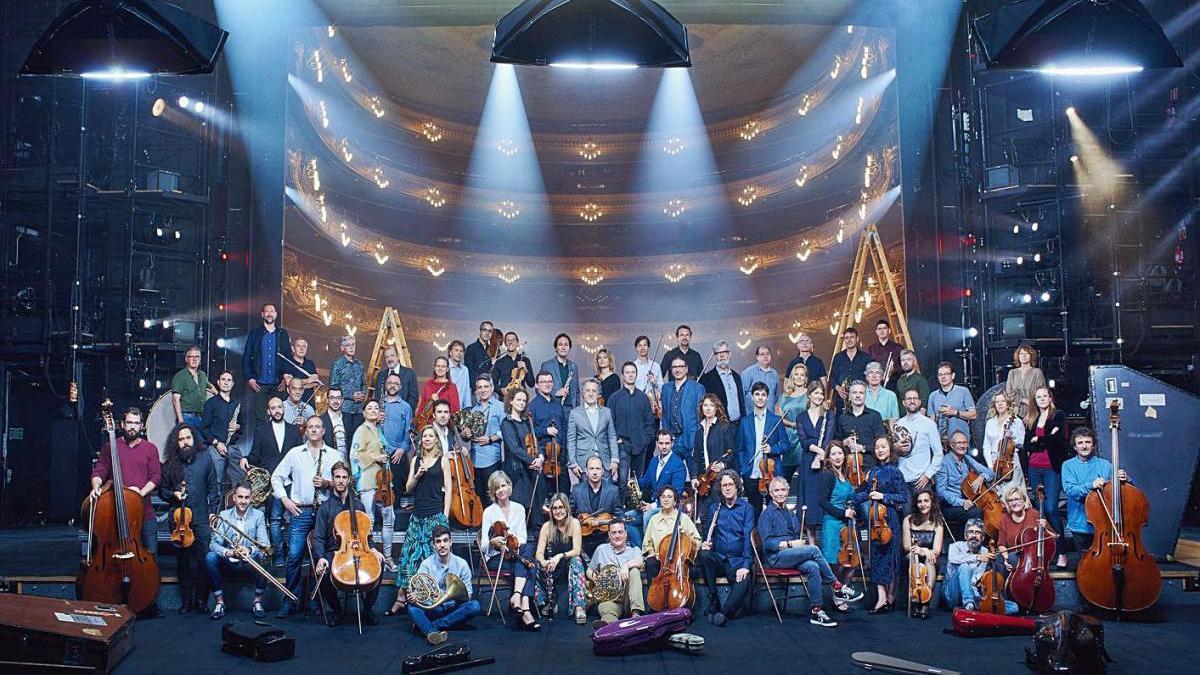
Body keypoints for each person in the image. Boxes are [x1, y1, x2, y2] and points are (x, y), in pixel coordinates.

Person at [88, 406, 163, 618]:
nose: (132, 427)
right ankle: (112, 598)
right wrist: (96, 486)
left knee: (150, 557)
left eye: (136, 423)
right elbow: (100, 469)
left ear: (141, 426)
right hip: (116, 515)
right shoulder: (110, 446)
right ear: (122, 425)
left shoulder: (150, 448)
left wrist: (140, 493)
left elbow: (156, 477)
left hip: (144, 513)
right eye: (128, 423)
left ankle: (148, 603)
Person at [759, 476, 862, 626]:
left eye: (783, 490)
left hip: (790, 556)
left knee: (813, 567)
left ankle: (816, 612)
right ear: (771, 493)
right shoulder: (766, 514)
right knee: (814, 549)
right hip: (776, 558)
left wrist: (799, 544)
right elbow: (767, 543)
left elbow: (796, 537)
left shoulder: (789, 513)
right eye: (776, 490)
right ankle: (837, 586)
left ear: (788, 492)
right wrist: (790, 544)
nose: (780, 493)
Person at [270, 415, 342, 618]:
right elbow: (276, 477)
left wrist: (327, 483)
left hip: (325, 513)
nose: (313, 430)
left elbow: (345, 482)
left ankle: (316, 601)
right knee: (294, 556)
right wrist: (285, 500)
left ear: (323, 431)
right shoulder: (295, 453)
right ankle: (291, 600)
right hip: (300, 511)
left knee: (319, 557)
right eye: (310, 427)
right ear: (305, 430)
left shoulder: (334, 454)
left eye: (317, 427)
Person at [386, 425, 451, 616]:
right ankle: (401, 598)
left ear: (436, 439)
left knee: (431, 558)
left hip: (436, 515)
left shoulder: (443, 461)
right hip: (418, 516)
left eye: (431, 436)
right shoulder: (415, 460)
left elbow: (449, 489)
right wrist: (417, 474)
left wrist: (445, 516)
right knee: (408, 558)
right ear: (421, 440)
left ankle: (430, 599)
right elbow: (407, 488)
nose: (428, 439)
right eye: (425, 436)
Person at [311, 461, 382, 627]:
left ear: (349, 479)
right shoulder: (325, 508)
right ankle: (337, 611)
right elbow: (319, 538)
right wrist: (321, 557)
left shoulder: (358, 505)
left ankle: (367, 610)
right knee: (324, 569)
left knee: (380, 562)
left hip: (359, 549)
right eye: (337, 477)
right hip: (335, 552)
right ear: (333, 479)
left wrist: (372, 549)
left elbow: (366, 535)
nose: (341, 481)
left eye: (344, 477)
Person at [159, 423, 219, 614]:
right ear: (176, 443)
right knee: (183, 562)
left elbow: (213, 489)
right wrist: (174, 494)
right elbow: (162, 491)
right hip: (178, 520)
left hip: (201, 518)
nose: (185, 442)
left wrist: (213, 512)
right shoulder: (169, 464)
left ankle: (201, 600)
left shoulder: (206, 458)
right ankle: (186, 601)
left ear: (194, 439)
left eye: (188, 438)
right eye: (181, 439)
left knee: (203, 560)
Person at [242, 396, 300, 567]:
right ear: (268, 411)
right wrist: (246, 458)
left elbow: (299, 455)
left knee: (292, 518)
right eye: (273, 408)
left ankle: (292, 555)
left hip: (291, 482)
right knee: (275, 519)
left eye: (279, 407)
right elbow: (255, 455)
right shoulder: (262, 430)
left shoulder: (294, 430)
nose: (277, 410)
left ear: (283, 409)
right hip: (271, 483)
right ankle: (279, 556)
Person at [480, 471, 541, 631]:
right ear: (493, 492)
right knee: (530, 564)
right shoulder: (489, 512)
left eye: (503, 485)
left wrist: (511, 543)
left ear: (509, 486)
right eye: (496, 488)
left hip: (515, 554)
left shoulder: (519, 508)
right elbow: (484, 546)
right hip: (496, 558)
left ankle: (517, 596)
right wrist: (493, 541)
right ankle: (525, 607)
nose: (500, 490)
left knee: (528, 548)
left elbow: (523, 538)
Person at [856, 435, 907, 615]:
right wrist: (853, 499)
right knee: (877, 558)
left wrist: (883, 497)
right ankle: (881, 598)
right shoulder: (872, 472)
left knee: (891, 559)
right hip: (874, 519)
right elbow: (867, 493)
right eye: (877, 447)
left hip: (890, 519)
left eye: (883, 447)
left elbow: (903, 497)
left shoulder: (895, 472)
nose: (879, 450)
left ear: (890, 449)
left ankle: (890, 598)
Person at [1061, 427, 1127, 567]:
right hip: (1080, 523)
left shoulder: (1105, 465)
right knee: (1087, 564)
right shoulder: (1068, 466)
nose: (1084, 446)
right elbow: (1071, 490)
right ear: (1075, 446)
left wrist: (1126, 479)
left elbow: (1124, 491)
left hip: (1104, 523)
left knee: (1107, 564)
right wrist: (1090, 485)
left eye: (1088, 442)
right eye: (1080, 443)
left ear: (1093, 445)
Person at [206, 482, 272, 620]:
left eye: (246, 497)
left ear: (251, 498)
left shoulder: (258, 515)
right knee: (210, 557)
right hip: (229, 562)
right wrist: (228, 552)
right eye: (240, 497)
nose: (243, 501)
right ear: (234, 498)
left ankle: (257, 601)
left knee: (265, 556)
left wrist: (249, 549)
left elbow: (264, 544)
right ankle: (219, 602)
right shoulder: (224, 515)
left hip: (249, 563)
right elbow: (213, 544)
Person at [697, 471, 755, 626]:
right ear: (720, 488)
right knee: (703, 555)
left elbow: (749, 539)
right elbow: (708, 534)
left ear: (737, 486)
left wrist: (745, 566)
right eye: (724, 485)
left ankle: (724, 613)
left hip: (737, 562)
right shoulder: (714, 508)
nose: (728, 488)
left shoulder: (747, 508)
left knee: (744, 579)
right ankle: (714, 599)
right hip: (720, 558)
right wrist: (706, 544)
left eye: (731, 484)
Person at [409, 526, 482, 645]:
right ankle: (433, 631)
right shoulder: (426, 564)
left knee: (474, 606)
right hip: (434, 608)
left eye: (445, 540)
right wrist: (414, 598)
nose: (442, 545)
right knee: (412, 607)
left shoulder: (462, 564)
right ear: (434, 545)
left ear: (450, 542)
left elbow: (468, 595)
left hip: (453, 607)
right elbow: (417, 590)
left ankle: (430, 627)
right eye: (438, 541)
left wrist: (453, 596)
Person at [1022, 385, 1069, 568]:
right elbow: (1027, 445)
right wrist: (1044, 439)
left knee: (1050, 509)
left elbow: (1058, 441)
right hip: (1034, 468)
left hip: (1051, 468)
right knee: (1039, 511)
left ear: (1050, 398)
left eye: (1044, 396)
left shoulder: (1058, 415)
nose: (1041, 399)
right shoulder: (1032, 418)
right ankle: (1045, 552)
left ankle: (1062, 551)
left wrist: (1039, 440)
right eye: (1038, 397)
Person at [349, 400, 394, 570]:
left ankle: (388, 558)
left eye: (376, 407)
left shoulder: (378, 429)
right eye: (370, 408)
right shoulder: (361, 430)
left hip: (383, 480)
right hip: (368, 479)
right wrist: (374, 457)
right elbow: (354, 455)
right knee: (370, 519)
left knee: (389, 518)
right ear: (364, 412)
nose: (374, 410)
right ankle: (369, 556)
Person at [942, 518, 1018, 614]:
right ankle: (969, 604)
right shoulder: (955, 546)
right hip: (952, 594)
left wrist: (1005, 564)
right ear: (965, 535)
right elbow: (954, 558)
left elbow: (978, 579)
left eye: (978, 533)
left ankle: (976, 607)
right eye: (970, 532)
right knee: (965, 567)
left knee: (1014, 607)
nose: (974, 536)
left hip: (973, 593)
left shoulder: (985, 551)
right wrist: (977, 557)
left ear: (982, 538)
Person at [535, 493, 587, 623]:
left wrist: (559, 556)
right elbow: (539, 553)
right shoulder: (546, 526)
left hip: (568, 562)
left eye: (561, 507)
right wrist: (544, 562)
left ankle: (579, 606)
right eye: (554, 508)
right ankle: (546, 602)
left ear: (567, 508)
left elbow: (576, 550)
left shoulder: (574, 523)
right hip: (552, 565)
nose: (558, 511)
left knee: (577, 560)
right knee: (534, 564)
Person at [738, 382, 789, 514]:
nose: (760, 398)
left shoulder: (776, 420)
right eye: (757, 394)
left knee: (775, 511)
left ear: (767, 397)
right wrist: (744, 468)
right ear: (752, 397)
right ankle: (755, 535)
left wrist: (772, 449)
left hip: (771, 474)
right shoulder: (744, 422)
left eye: (763, 394)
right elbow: (740, 449)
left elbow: (786, 445)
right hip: (751, 473)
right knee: (754, 512)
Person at [585, 519, 645, 629]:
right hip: (610, 599)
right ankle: (610, 625)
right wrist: (595, 578)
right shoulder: (601, 549)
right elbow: (589, 570)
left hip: (628, 599)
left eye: (620, 532)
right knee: (605, 608)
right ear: (609, 534)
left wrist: (626, 566)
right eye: (614, 532)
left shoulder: (634, 550)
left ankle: (636, 615)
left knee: (635, 571)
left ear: (626, 533)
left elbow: (640, 562)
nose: (617, 536)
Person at [795, 381, 836, 534]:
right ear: (809, 395)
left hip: (824, 462)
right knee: (809, 502)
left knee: (822, 498)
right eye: (816, 393)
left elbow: (828, 437)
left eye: (821, 393)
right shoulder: (801, 417)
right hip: (808, 462)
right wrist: (817, 449)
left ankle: (826, 541)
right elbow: (803, 440)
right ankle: (811, 541)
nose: (819, 396)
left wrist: (822, 453)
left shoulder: (829, 415)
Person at [499, 389, 544, 528]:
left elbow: (534, 442)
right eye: (518, 399)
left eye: (524, 401)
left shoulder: (526, 422)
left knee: (536, 504)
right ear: (511, 401)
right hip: (516, 471)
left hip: (531, 468)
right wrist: (532, 460)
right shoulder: (506, 423)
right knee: (520, 506)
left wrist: (541, 457)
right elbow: (514, 448)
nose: (522, 403)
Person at [818, 443, 860, 589]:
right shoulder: (828, 475)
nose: (837, 457)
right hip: (832, 524)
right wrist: (843, 513)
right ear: (828, 458)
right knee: (835, 564)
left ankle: (842, 592)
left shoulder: (846, 475)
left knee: (851, 563)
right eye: (833, 454)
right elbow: (821, 501)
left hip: (847, 525)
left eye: (840, 453)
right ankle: (838, 597)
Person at [608, 361, 656, 485]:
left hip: (641, 444)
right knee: (622, 480)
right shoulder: (614, 398)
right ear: (622, 375)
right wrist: (617, 440)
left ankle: (635, 505)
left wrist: (646, 440)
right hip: (622, 444)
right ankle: (621, 505)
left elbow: (650, 422)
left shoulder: (643, 397)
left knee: (637, 482)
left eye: (633, 372)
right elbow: (609, 423)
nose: (630, 375)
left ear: (637, 374)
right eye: (627, 372)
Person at [935, 431, 995, 531]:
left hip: (968, 502)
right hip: (950, 506)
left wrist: (981, 477)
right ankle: (973, 541)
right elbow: (941, 492)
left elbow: (990, 472)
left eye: (965, 443)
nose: (962, 446)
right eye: (959, 443)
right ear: (951, 445)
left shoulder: (967, 459)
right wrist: (961, 502)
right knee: (977, 512)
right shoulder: (944, 462)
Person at [243, 303, 291, 420]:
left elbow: (288, 358)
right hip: (260, 383)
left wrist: (286, 378)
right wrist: (250, 378)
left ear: (276, 314)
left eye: (272, 311)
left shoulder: (282, 334)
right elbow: (246, 356)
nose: (269, 314)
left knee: (282, 416)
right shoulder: (255, 334)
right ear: (262, 314)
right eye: (267, 311)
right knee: (260, 418)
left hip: (279, 384)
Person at [901, 488, 944, 619]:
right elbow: (907, 546)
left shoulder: (938, 523)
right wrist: (919, 550)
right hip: (912, 555)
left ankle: (925, 600)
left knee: (930, 561)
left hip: (929, 556)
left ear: (932, 502)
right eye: (919, 501)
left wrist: (925, 551)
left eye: (926, 501)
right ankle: (915, 599)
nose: (923, 504)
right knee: (914, 558)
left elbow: (936, 550)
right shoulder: (908, 520)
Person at [641, 485, 700, 581]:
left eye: (669, 497)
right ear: (659, 499)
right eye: (663, 496)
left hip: (679, 561)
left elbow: (697, 541)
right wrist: (651, 553)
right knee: (650, 563)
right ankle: (653, 594)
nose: (666, 499)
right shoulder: (654, 520)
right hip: (659, 560)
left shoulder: (683, 518)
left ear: (675, 501)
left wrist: (686, 537)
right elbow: (647, 544)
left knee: (692, 570)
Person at [566, 379, 619, 484]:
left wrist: (614, 459)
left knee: (607, 497)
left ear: (598, 394)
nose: (591, 394)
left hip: (605, 462)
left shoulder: (606, 412)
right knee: (586, 498)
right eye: (588, 390)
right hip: (583, 464)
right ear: (583, 394)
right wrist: (573, 463)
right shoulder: (574, 413)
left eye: (594, 391)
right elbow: (571, 440)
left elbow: (612, 437)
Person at [570, 455, 623, 556]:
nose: (595, 472)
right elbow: (569, 515)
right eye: (592, 468)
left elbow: (619, 515)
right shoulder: (577, 490)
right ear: (586, 471)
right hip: (582, 539)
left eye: (598, 469)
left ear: (603, 471)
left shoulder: (613, 490)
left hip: (606, 539)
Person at [894, 388, 943, 496]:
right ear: (904, 402)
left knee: (923, 513)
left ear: (919, 402)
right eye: (909, 399)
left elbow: (939, 453)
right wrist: (895, 448)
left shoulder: (929, 424)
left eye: (915, 398)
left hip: (921, 480)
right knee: (906, 513)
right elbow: (894, 455)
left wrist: (927, 475)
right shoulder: (898, 424)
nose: (912, 401)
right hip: (902, 480)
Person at [200, 369, 241, 498]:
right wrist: (217, 443)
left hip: (232, 447)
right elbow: (204, 428)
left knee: (240, 481)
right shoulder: (210, 404)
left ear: (233, 383)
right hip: (215, 447)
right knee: (216, 482)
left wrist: (238, 426)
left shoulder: (237, 403)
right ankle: (214, 513)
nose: (226, 383)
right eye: (223, 379)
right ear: (218, 382)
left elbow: (243, 427)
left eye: (229, 380)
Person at [637, 430, 688, 529]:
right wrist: (634, 482)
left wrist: (653, 506)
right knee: (627, 517)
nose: (664, 447)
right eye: (661, 443)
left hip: (667, 508)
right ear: (656, 443)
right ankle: (638, 544)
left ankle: (647, 544)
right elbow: (646, 481)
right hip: (651, 504)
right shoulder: (654, 461)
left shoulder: (678, 465)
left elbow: (676, 493)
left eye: (667, 443)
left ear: (672, 444)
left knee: (647, 516)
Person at [467, 374, 506, 503]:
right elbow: (468, 436)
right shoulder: (473, 410)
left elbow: (506, 431)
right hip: (474, 460)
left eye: (485, 386)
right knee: (478, 500)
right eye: (479, 387)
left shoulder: (500, 407)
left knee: (492, 498)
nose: (482, 390)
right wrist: (465, 434)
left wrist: (490, 439)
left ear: (492, 387)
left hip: (492, 460)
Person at [996, 486, 1056, 568]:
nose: (1014, 503)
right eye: (1010, 500)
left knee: (1013, 558)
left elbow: (1054, 537)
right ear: (1008, 504)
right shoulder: (1004, 518)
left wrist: (1045, 528)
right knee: (1001, 560)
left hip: (1033, 558)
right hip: (1013, 557)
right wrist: (1006, 559)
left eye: (1017, 499)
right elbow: (1001, 545)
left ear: (1024, 501)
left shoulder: (1034, 514)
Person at [530, 370, 568, 495]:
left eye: (550, 381)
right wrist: (545, 431)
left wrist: (563, 449)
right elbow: (530, 432)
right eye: (543, 382)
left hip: (560, 455)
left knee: (564, 490)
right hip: (544, 456)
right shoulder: (532, 406)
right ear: (536, 385)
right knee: (546, 494)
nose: (547, 384)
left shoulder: (558, 404)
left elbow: (563, 426)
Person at [982, 391, 1026, 492]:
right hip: (994, 460)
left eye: (1003, 401)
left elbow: (1022, 443)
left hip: (1011, 460)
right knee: (998, 493)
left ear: (1008, 403)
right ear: (994, 404)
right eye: (997, 402)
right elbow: (986, 446)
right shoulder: (990, 422)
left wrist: (1013, 436)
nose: (1000, 404)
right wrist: (990, 465)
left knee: (1014, 491)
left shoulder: (1016, 421)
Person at [661, 357, 704, 461]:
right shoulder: (666, 388)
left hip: (690, 437)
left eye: (680, 366)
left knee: (695, 474)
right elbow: (665, 414)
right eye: (674, 367)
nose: (677, 369)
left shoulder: (697, 388)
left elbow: (701, 416)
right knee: (673, 473)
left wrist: (698, 439)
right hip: (672, 439)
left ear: (686, 369)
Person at [379, 373, 413, 500]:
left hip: (396, 456)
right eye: (390, 383)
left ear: (400, 387)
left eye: (396, 384)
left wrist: (403, 449)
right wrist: (375, 419)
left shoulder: (406, 407)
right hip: (379, 455)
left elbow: (409, 431)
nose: (392, 386)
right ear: (385, 385)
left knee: (397, 494)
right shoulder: (378, 405)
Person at [835, 381, 885, 466]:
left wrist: (862, 448)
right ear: (849, 396)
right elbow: (835, 443)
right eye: (854, 393)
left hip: (870, 466)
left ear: (865, 396)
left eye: (861, 393)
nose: (858, 395)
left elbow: (882, 443)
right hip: (847, 466)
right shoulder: (842, 418)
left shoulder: (875, 416)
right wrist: (844, 442)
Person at [692, 394, 737, 483]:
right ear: (701, 408)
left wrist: (723, 464)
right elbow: (696, 457)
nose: (708, 408)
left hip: (720, 478)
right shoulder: (699, 431)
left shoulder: (725, 427)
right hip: (703, 480)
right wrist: (694, 477)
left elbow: (732, 451)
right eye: (705, 405)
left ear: (716, 408)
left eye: (711, 405)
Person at [928, 361, 977, 441]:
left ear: (953, 375)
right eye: (940, 375)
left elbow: (973, 415)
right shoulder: (933, 396)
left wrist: (955, 412)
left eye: (946, 374)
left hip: (961, 441)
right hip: (941, 442)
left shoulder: (963, 391)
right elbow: (931, 421)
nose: (943, 377)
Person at [699, 340, 744, 423]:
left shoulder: (736, 376)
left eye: (725, 352)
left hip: (739, 424)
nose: (722, 355)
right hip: (720, 426)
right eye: (718, 353)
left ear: (729, 354)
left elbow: (742, 402)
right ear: (715, 356)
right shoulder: (707, 379)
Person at [776, 363, 809, 471]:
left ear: (806, 378)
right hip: (788, 436)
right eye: (796, 374)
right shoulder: (784, 396)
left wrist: (799, 426)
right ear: (792, 377)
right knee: (786, 475)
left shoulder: (810, 395)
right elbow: (779, 417)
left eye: (802, 375)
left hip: (804, 436)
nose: (799, 377)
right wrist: (792, 424)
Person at [171, 345, 211, 432]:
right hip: (187, 417)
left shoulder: (203, 375)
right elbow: (175, 400)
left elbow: (211, 388)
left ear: (200, 360)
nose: (194, 359)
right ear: (186, 359)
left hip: (201, 417)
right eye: (191, 356)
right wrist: (181, 421)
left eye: (197, 356)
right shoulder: (180, 376)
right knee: (189, 444)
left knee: (201, 443)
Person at [829, 327, 872, 407]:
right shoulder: (838, 357)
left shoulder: (866, 358)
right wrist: (838, 388)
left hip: (861, 400)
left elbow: (870, 379)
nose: (849, 340)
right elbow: (832, 378)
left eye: (852, 337)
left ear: (857, 339)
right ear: (844, 340)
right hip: (841, 401)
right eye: (846, 338)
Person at [538, 333, 581, 410]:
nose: (563, 347)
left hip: (571, 410)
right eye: (560, 344)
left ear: (569, 348)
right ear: (555, 348)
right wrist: (556, 393)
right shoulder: (547, 366)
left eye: (566, 345)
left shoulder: (574, 367)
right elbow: (538, 389)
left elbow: (577, 391)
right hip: (553, 408)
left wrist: (577, 410)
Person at [371, 345, 418, 411]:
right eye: (387, 357)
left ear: (398, 356)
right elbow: (377, 396)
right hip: (383, 416)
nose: (389, 359)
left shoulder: (409, 374)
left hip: (402, 415)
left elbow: (414, 398)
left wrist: (406, 414)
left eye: (392, 355)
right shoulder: (380, 375)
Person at [1005, 345, 1046, 420]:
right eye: (1021, 354)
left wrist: (1031, 403)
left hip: (1033, 410)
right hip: (1015, 411)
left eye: (1026, 353)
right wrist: (1023, 400)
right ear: (1018, 356)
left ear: (1031, 356)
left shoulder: (1037, 372)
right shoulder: (1012, 373)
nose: (1024, 355)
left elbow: (1041, 392)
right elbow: (1009, 393)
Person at [329, 336, 366, 416]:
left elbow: (363, 384)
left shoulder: (359, 365)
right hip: (344, 409)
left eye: (353, 344)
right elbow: (333, 387)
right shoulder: (337, 364)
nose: (352, 347)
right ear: (342, 348)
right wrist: (352, 396)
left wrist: (362, 394)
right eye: (348, 345)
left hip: (359, 409)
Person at [321, 387, 362, 459]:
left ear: (342, 400)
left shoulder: (349, 418)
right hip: (328, 463)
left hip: (347, 464)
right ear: (327, 400)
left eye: (338, 398)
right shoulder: (320, 420)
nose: (335, 401)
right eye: (332, 398)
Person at [278, 337, 320, 406]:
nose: (301, 349)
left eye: (304, 346)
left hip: (308, 403)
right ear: (293, 348)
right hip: (292, 404)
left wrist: (297, 386)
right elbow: (289, 382)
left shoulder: (310, 363)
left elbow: (316, 382)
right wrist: (308, 380)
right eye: (298, 346)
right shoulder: (287, 362)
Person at [742, 345, 780, 415]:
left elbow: (776, 395)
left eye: (767, 354)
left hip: (769, 415)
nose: (765, 356)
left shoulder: (774, 374)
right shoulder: (748, 372)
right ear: (757, 357)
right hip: (752, 415)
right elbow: (743, 394)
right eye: (762, 354)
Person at [866, 319, 904, 388]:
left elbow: (903, 367)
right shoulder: (871, 349)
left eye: (884, 328)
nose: (882, 331)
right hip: (876, 387)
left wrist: (894, 369)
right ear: (876, 332)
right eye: (879, 329)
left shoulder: (898, 348)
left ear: (889, 331)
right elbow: (868, 368)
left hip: (895, 385)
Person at [464, 321, 496, 394]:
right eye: (485, 330)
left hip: (488, 389)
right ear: (480, 331)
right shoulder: (471, 348)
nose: (487, 333)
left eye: (490, 331)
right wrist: (475, 389)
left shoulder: (492, 350)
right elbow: (469, 370)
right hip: (476, 389)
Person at [632, 335, 664, 403]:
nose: (642, 348)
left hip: (652, 403)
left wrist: (654, 382)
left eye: (645, 345)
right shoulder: (632, 366)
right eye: (639, 346)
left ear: (648, 347)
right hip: (636, 401)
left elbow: (661, 389)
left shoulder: (656, 366)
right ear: (636, 348)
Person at [446, 340, 473, 410]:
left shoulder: (464, 370)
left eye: (461, 351)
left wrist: (468, 407)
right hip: (445, 408)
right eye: (456, 350)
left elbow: (467, 390)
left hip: (459, 409)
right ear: (450, 352)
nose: (459, 353)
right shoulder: (444, 367)